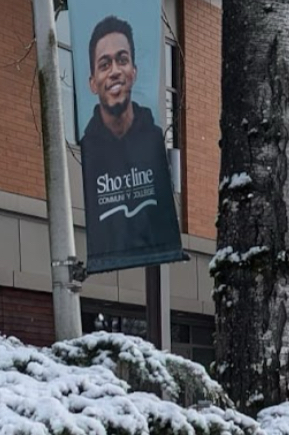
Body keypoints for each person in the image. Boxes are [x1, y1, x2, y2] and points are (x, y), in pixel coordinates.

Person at [79, 15, 183, 272]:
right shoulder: (88, 150)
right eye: (104, 64)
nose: (115, 71)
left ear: (134, 72)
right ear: (92, 82)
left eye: (122, 60)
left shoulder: (153, 139)